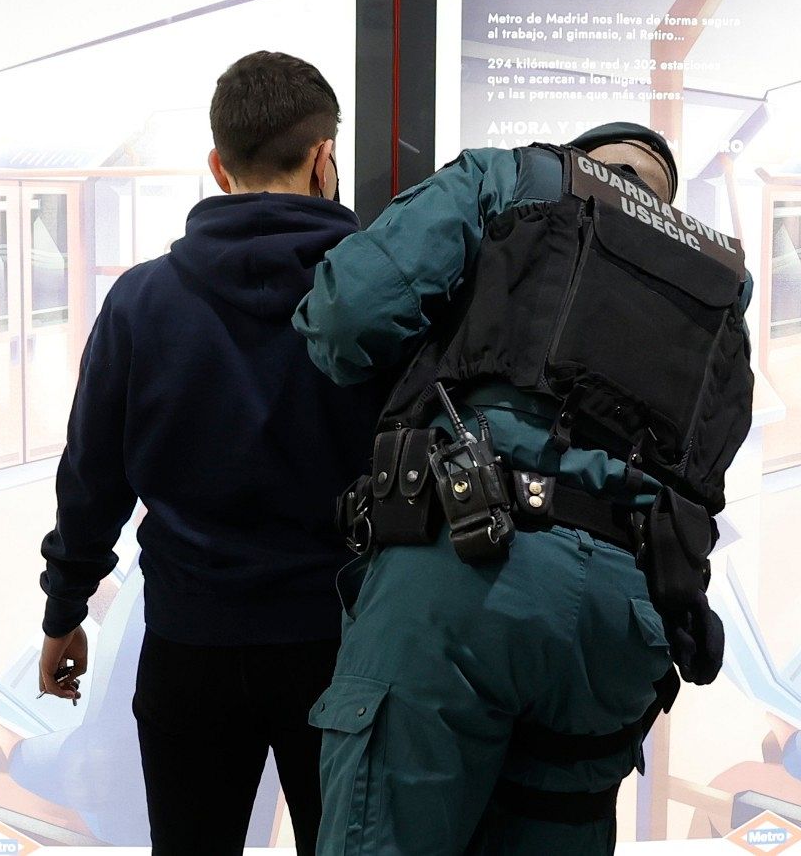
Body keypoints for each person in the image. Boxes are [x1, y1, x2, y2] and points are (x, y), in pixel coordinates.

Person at [294, 123, 754, 853]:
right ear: (665, 200)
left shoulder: (514, 179)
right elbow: (710, 469)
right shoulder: (724, 285)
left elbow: (348, 317)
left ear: (583, 162)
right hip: (624, 620)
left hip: (468, 570)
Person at [34, 51, 387, 855]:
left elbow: (91, 478)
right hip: (343, 651)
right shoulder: (377, 301)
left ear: (217, 166)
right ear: (325, 157)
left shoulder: (141, 301)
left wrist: (64, 610)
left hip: (191, 646)